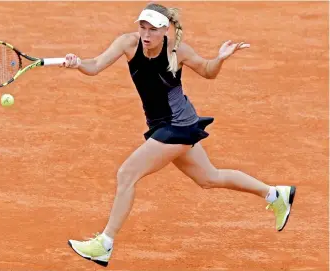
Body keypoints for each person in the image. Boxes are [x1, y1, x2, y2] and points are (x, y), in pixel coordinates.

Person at [61, 3, 296, 267]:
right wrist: (78, 63)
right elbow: (94, 66)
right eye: (142, 27)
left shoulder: (177, 50)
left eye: (152, 29)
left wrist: (219, 58)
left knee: (127, 174)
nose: (146, 35)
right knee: (209, 177)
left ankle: (104, 244)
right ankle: (275, 194)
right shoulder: (128, 44)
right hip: (166, 124)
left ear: (165, 30)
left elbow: (208, 71)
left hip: (177, 126)